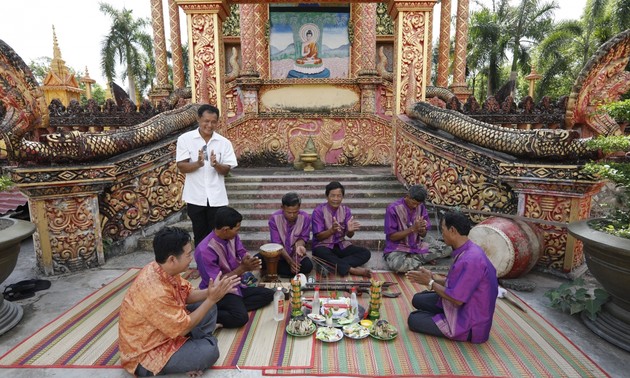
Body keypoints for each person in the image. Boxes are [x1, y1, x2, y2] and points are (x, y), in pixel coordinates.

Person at [118, 227, 241, 377]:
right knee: (210, 351)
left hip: (167, 330)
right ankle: (201, 344)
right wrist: (211, 299)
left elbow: (186, 294)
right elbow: (182, 329)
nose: (191, 258)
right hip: (147, 354)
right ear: (172, 259)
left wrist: (210, 292)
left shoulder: (159, 268)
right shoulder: (155, 292)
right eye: (188, 254)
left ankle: (199, 342)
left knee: (209, 308)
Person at [406, 211, 498, 343]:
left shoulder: (472, 259)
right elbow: (456, 283)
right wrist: (432, 277)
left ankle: (445, 319)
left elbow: (457, 300)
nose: (442, 235)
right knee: (418, 299)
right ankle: (441, 315)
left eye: (443, 230)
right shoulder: (468, 249)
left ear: (453, 230)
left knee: (413, 319)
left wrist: (431, 283)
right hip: (462, 303)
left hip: (469, 322)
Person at [194, 206, 275, 328]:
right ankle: (205, 313)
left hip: (237, 285)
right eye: (237, 229)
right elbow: (218, 283)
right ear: (226, 229)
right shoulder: (204, 250)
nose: (238, 232)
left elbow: (241, 251)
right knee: (241, 318)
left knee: (269, 294)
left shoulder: (232, 236)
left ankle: (236, 307)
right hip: (219, 292)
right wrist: (243, 268)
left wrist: (247, 258)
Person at [176, 104, 237, 247]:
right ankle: (203, 266)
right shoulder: (185, 139)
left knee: (219, 235)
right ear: (198, 119)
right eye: (206, 121)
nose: (209, 125)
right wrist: (198, 164)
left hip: (217, 198)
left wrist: (216, 164)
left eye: (213, 122)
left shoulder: (224, 143)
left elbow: (227, 170)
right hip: (195, 197)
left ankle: (217, 265)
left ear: (217, 122)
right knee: (200, 234)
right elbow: (181, 166)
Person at [383, 184, 452, 272]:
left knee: (448, 249)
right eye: (413, 203)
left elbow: (424, 234)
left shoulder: (421, 207)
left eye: (418, 204)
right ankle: (422, 257)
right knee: (398, 266)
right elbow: (392, 237)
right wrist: (413, 229)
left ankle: (414, 257)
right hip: (398, 247)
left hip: (417, 244)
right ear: (407, 197)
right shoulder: (392, 209)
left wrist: (422, 230)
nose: (415, 206)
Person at [311, 181, 371, 277]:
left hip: (340, 245)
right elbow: (318, 236)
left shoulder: (346, 210)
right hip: (323, 246)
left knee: (365, 253)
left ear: (342, 197)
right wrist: (331, 231)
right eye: (333, 196)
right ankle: (351, 269)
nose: (336, 199)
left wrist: (350, 231)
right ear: (327, 196)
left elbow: (349, 235)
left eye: (339, 196)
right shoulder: (318, 211)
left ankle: (330, 265)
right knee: (320, 252)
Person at [265, 192, 313, 277]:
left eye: (295, 212)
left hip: (295, 255)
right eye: (289, 212)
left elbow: (303, 238)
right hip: (280, 255)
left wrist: (299, 246)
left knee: (308, 266)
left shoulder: (305, 217)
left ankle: (283, 270)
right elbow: (277, 244)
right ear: (282, 208)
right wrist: (290, 262)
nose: (292, 215)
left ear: (299, 207)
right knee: (261, 259)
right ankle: (291, 270)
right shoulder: (274, 218)